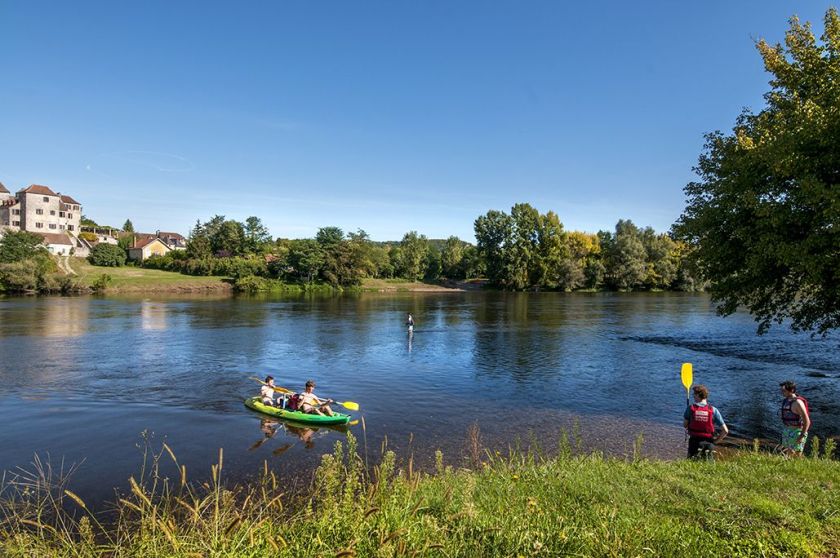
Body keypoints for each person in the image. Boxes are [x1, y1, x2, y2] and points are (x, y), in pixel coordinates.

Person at [683, 384, 728, 460]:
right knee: (708, 469)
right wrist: (715, 442)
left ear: (698, 395)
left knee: (691, 467)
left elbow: (685, 425)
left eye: (694, 394)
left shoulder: (690, 408)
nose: (693, 396)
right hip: (709, 444)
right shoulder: (713, 410)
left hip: (694, 443)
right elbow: (725, 431)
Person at [779, 380, 811, 456]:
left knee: (796, 456)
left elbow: (807, 421)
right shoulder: (786, 400)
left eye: (784, 391)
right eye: (781, 390)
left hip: (797, 432)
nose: (782, 392)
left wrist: (801, 436)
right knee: (787, 455)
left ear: (792, 390)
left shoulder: (798, 403)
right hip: (787, 431)